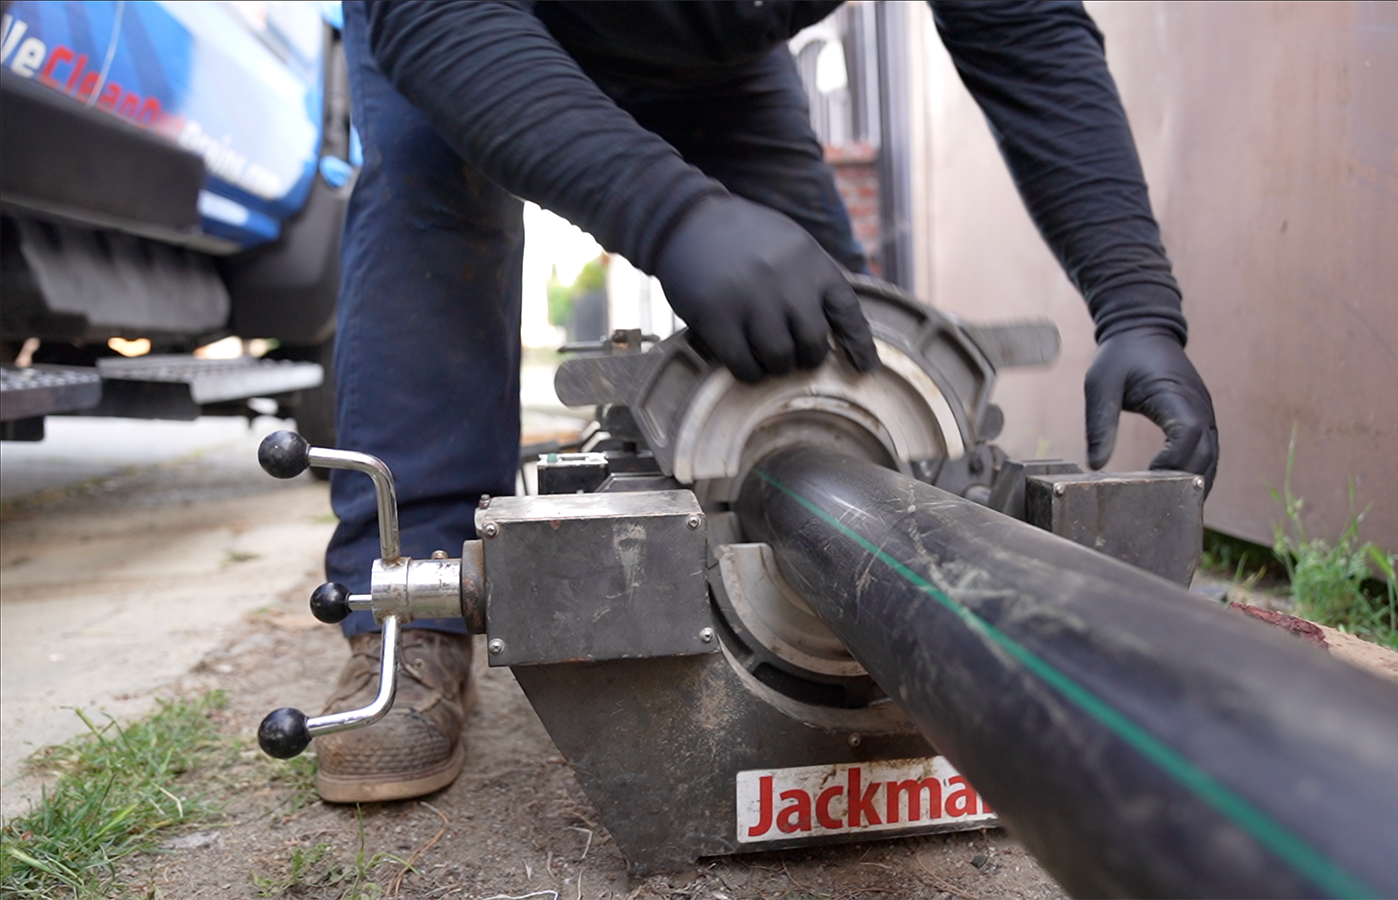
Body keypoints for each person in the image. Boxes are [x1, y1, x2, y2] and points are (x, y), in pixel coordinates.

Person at [313, 0, 1219, 803]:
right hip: (466, 18)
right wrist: (669, 214)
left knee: (830, 336)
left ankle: (878, 607)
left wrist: (1138, 306)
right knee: (429, 199)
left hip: (712, 49)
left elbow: (1025, 29)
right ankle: (410, 625)